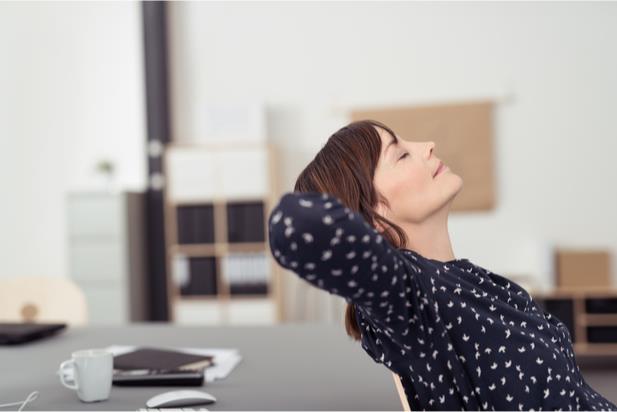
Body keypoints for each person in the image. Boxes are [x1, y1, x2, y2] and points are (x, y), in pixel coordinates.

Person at [267, 119, 617, 411]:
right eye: (401, 154)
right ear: (372, 217)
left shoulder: (465, 279)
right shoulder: (414, 299)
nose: (428, 145)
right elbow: (295, 225)